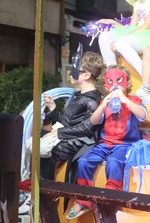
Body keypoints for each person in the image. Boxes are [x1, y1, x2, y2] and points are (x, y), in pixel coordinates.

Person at [71, 67, 147, 218]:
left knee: (113, 162)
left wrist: (124, 100)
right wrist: (102, 105)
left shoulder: (134, 100)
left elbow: (143, 115)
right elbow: (93, 121)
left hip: (125, 145)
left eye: (119, 81)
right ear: (106, 86)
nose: (115, 85)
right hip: (105, 144)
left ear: (128, 83)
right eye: (110, 82)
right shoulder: (105, 101)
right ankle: (84, 199)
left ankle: (111, 198)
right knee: (83, 161)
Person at [39, 52, 105, 181]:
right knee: (38, 140)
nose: (71, 73)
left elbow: (86, 128)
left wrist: (58, 133)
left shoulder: (92, 100)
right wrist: (53, 108)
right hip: (71, 135)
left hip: (83, 141)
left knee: (49, 151)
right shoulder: (77, 95)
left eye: (75, 70)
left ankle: (49, 191)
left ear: (86, 75)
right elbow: (67, 122)